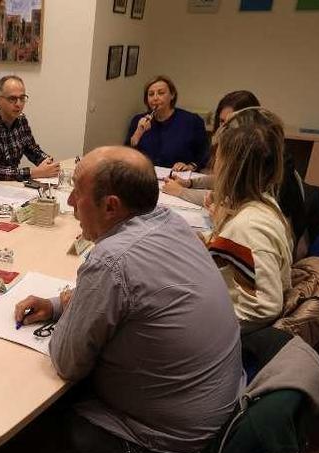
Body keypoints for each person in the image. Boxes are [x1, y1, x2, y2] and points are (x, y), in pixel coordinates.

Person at [0, 146, 243, 453]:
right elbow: (135, 297)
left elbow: (67, 361)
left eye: (78, 190)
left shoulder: (112, 260)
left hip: (162, 450)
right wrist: (61, 304)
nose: (71, 201)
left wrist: (74, 311)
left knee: (1, 448)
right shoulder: (172, 223)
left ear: (111, 206)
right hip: (217, 419)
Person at [161, 91, 308, 258]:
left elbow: (257, 279)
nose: (223, 131)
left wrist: (218, 222)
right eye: (222, 122)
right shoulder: (255, 193)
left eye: (229, 124)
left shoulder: (250, 224)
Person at [204, 107, 293, 331]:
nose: (215, 164)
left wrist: (202, 324)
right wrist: (207, 241)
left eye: (219, 156)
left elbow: (265, 308)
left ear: (230, 166)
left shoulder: (248, 227)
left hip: (225, 334)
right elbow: (234, 256)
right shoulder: (263, 203)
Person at [0, 75, 60, 182]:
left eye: (22, 98)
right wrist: (33, 172)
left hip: (12, 185)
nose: (18, 104)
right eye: (12, 99)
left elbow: (32, 150)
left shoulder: (21, 120)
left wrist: (48, 163)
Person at [126, 75, 209, 170]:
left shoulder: (192, 121)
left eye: (161, 93)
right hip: (146, 176)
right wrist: (138, 133)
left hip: (178, 177)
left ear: (172, 95)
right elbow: (126, 155)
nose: (155, 98)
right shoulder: (138, 120)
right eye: (151, 94)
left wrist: (191, 166)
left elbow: (204, 154)